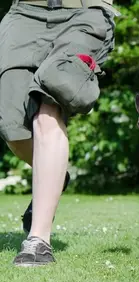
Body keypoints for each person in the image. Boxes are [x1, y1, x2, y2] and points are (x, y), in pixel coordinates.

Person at [0, 0, 120, 266]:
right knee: (12, 127)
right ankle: (54, 175)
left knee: (47, 111)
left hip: (84, 13)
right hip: (24, 13)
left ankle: (38, 242)